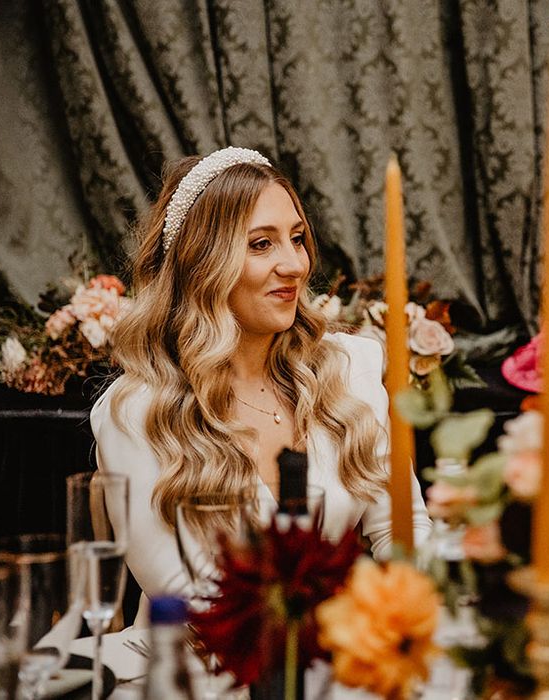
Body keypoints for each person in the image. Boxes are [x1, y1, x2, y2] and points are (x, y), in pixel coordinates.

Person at [91, 147, 431, 627]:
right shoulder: (138, 412)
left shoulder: (348, 370)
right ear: (201, 264)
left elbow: (405, 531)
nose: (294, 264)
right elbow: (189, 602)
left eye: (296, 238)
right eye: (260, 245)